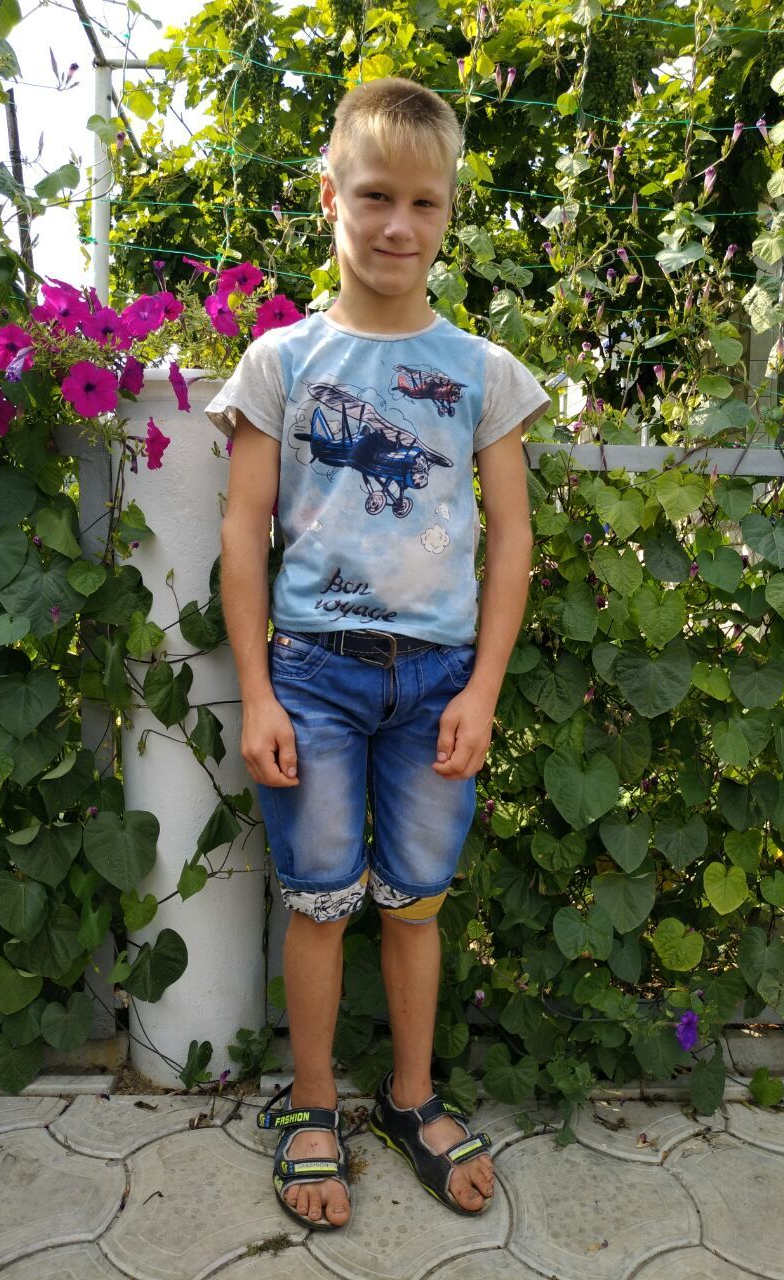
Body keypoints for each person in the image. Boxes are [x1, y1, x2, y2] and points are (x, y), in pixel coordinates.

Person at [208, 76, 550, 1231]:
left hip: (438, 682)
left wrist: (484, 689)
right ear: (330, 198)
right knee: (318, 901)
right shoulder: (281, 363)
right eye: (373, 196)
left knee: (415, 902)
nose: (398, 225)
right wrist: (258, 691)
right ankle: (311, 1104)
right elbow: (243, 533)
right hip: (311, 676)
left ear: (449, 209)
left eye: (423, 201)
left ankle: (410, 1095)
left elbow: (512, 540)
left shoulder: (485, 373)